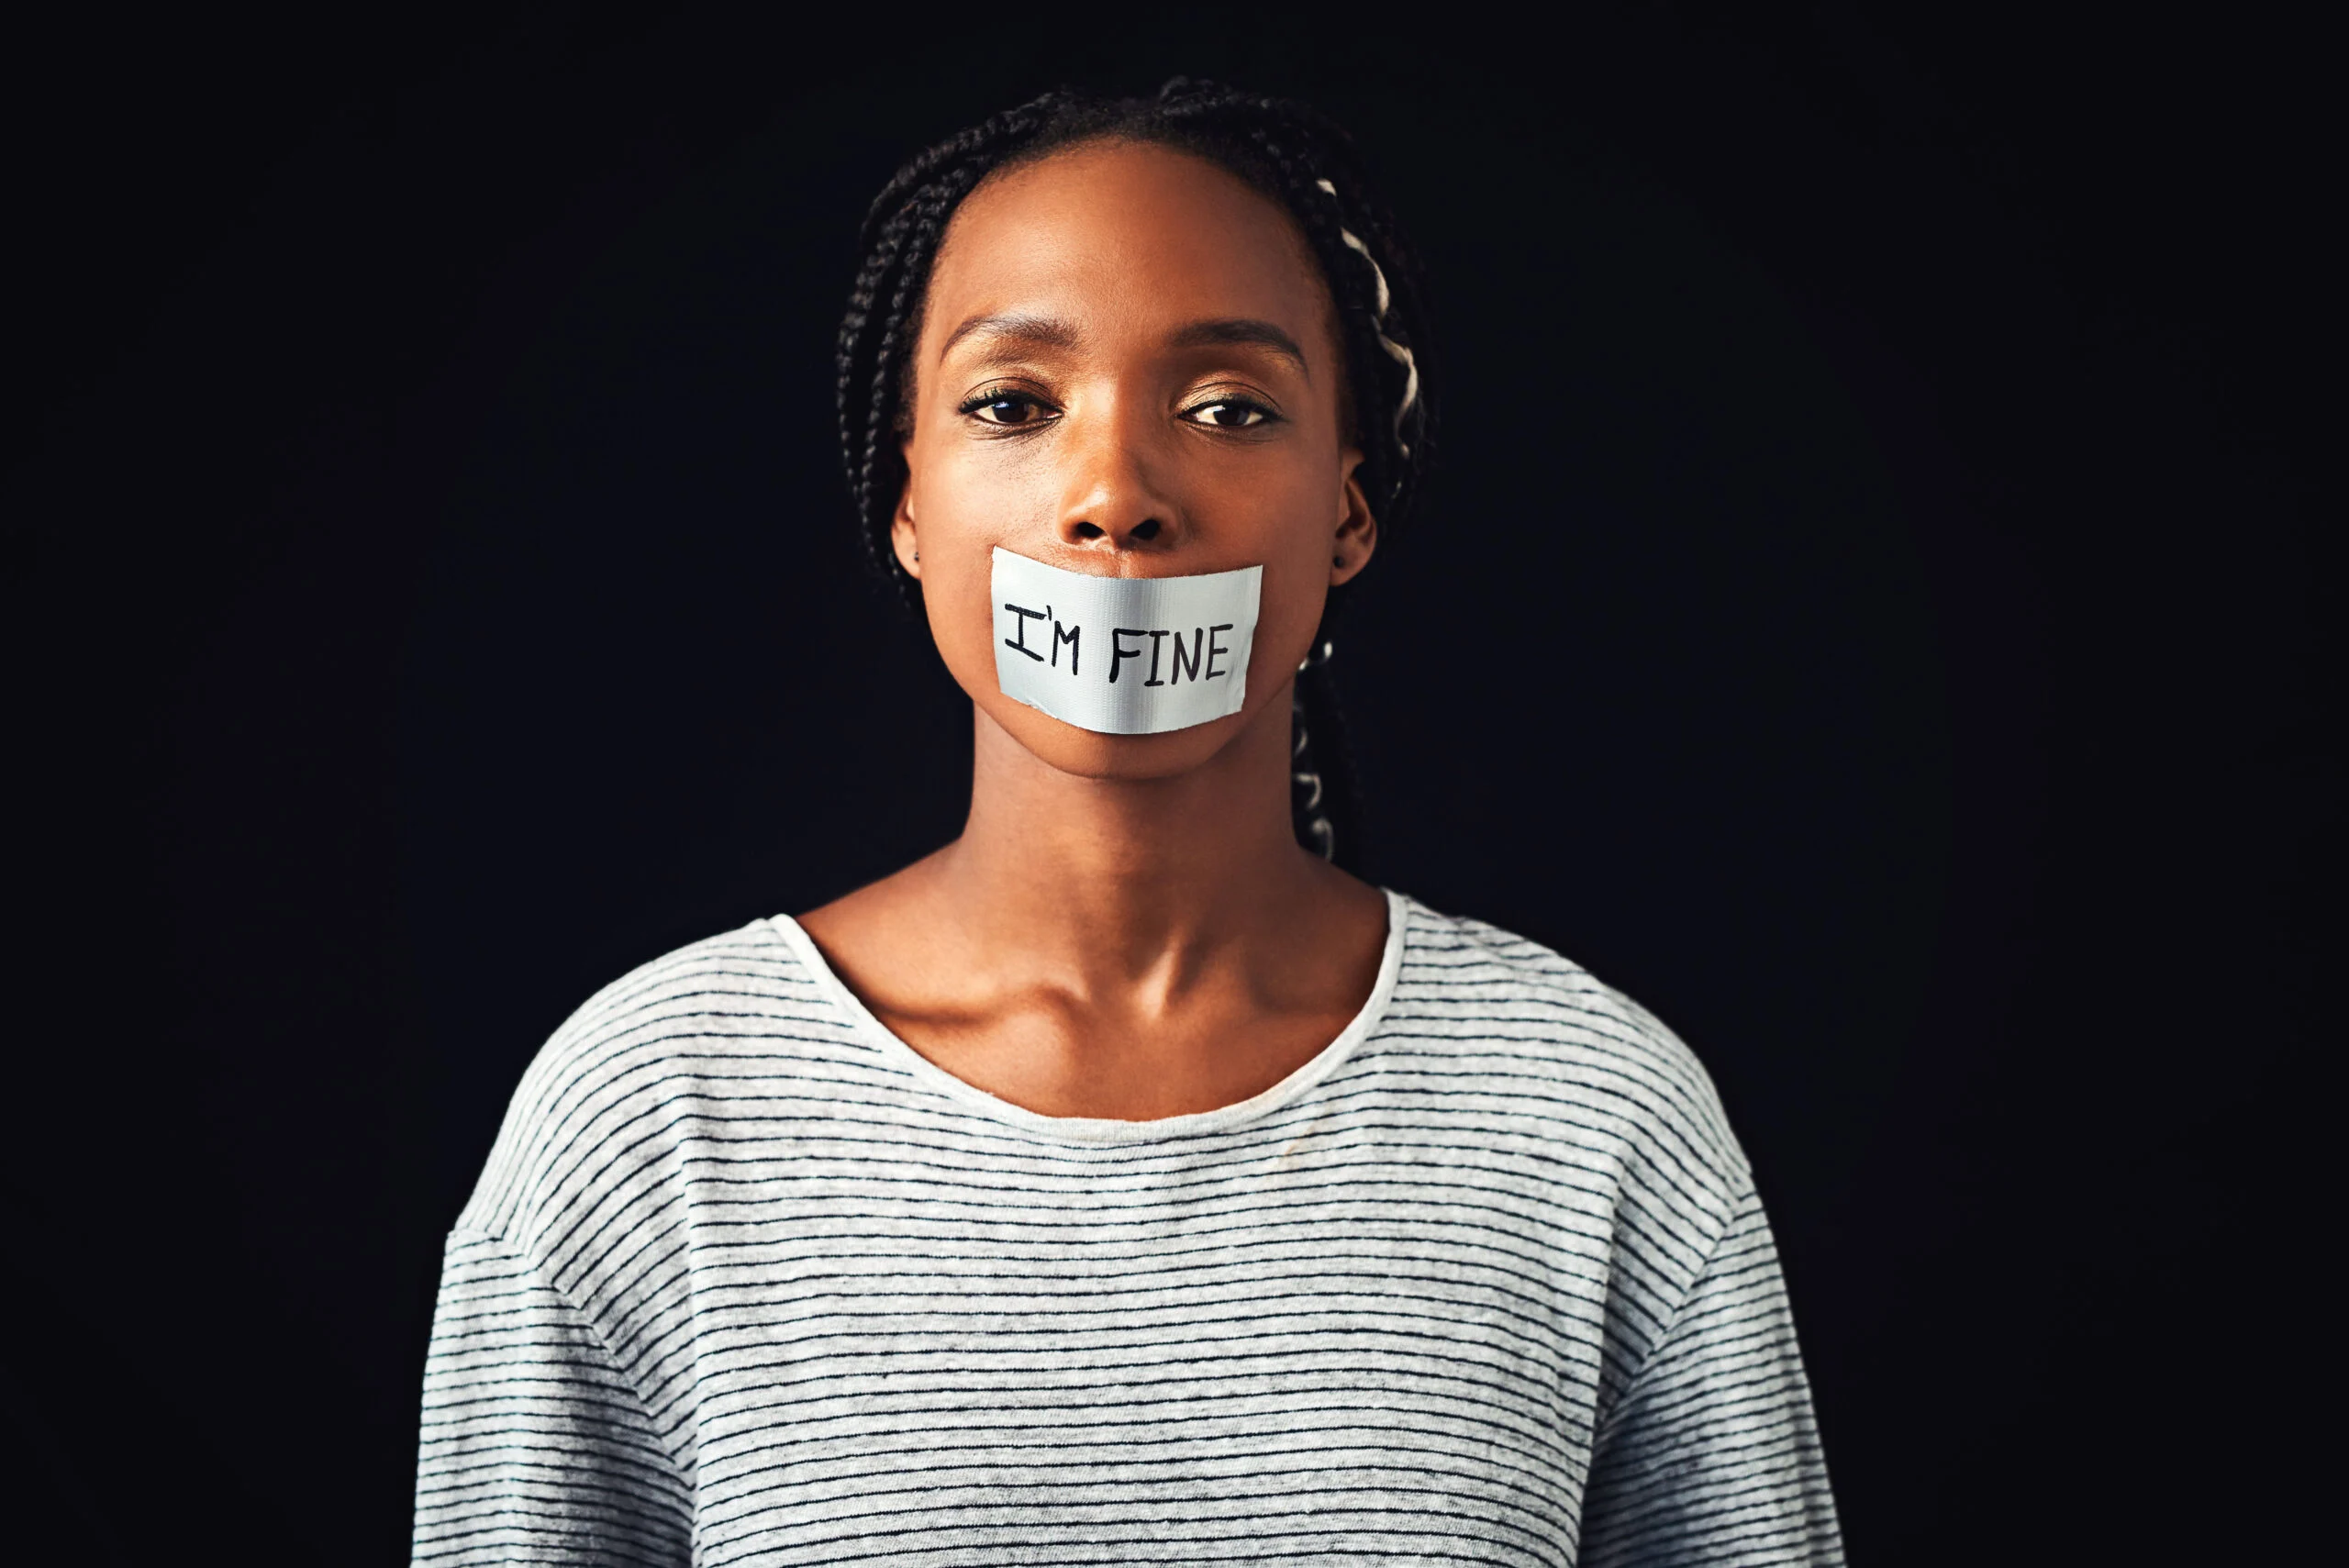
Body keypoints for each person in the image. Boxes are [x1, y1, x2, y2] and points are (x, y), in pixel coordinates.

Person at [411, 81, 1843, 1566]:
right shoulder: (653, 1119)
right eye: (1014, 407)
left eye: (1228, 409)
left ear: (1347, 512)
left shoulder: (1594, 1119)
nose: (1114, 496)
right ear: (908, 501)